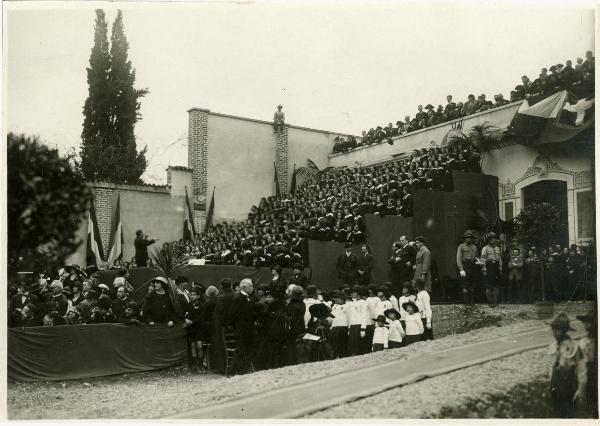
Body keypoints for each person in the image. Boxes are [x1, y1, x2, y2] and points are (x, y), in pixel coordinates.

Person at [549, 312, 586, 418]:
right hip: (555, 388)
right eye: (553, 330)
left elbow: (581, 370)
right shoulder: (553, 346)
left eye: (556, 330)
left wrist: (580, 390)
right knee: (557, 414)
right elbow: (551, 367)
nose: (553, 333)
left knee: (568, 414)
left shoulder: (574, 347)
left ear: (563, 331)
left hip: (569, 388)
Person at [228, 278, 256, 374]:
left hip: (248, 329)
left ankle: (243, 370)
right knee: (239, 350)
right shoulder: (238, 298)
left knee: (248, 350)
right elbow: (231, 315)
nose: (253, 288)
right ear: (244, 287)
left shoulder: (249, 298)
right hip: (241, 330)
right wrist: (237, 327)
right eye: (251, 286)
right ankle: (232, 372)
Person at [575, 313, 598, 418]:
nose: (586, 324)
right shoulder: (583, 341)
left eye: (589, 321)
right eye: (585, 322)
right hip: (587, 372)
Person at [456, 230, 479, 306]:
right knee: (465, 285)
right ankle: (466, 302)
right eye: (467, 238)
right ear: (464, 239)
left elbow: (477, 257)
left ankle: (472, 302)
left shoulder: (474, 247)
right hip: (465, 266)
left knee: (472, 286)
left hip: (473, 267)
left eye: (470, 238)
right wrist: (461, 269)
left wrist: (479, 263)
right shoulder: (461, 247)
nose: (469, 239)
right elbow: (458, 259)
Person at [285, 285, 307, 365]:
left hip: (292, 327)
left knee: (291, 345)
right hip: (301, 326)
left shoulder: (292, 305)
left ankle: (291, 361)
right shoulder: (302, 303)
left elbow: (291, 317)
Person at [481, 232, 502, 307]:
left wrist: (500, 268)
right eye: (491, 239)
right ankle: (490, 302)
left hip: (496, 267)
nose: (492, 240)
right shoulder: (485, 248)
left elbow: (499, 259)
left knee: (496, 286)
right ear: (488, 240)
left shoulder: (497, 248)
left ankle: (495, 301)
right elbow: (483, 260)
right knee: (489, 286)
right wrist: (484, 269)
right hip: (489, 267)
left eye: (494, 238)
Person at [346, 285, 367, 356]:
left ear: (357, 293)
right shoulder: (352, 303)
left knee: (358, 347)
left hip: (359, 326)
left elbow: (364, 316)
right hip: (352, 326)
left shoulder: (363, 302)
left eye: (353, 292)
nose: (351, 294)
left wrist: (363, 329)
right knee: (352, 346)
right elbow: (350, 316)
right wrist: (349, 328)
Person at [330, 291, 349, 359]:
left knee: (341, 343)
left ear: (342, 299)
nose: (336, 300)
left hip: (343, 326)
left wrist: (348, 327)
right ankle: (335, 355)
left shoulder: (347, 306)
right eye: (336, 298)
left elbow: (348, 317)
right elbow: (332, 316)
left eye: (338, 298)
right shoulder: (334, 306)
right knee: (334, 342)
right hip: (334, 326)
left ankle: (342, 356)